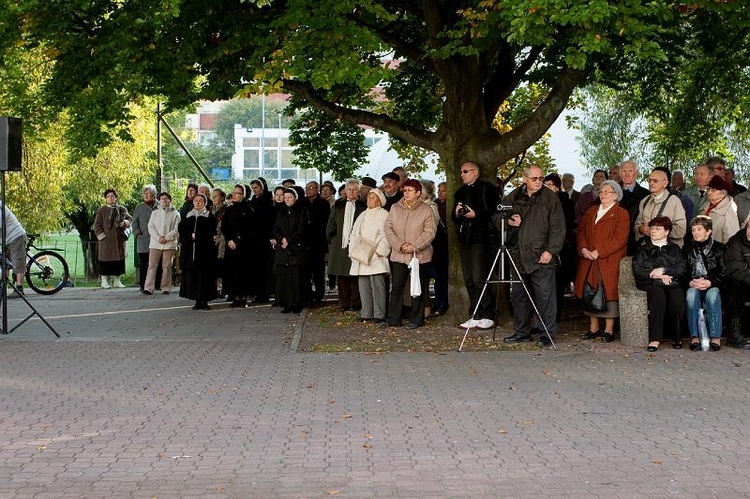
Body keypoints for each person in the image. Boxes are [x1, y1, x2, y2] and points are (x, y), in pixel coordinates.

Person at [502, 165, 567, 346]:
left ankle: (547, 333)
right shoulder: (514, 195)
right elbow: (498, 215)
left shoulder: (550, 198)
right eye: (534, 178)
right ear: (525, 179)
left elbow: (558, 228)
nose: (538, 182)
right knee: (519, 295)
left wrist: (551, 251)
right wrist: (508, 221)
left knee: (545, 296)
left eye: (540, 178)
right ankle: (522, 331)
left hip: (541, 255)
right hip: (518, 254)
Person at [574, 180, 629, 342]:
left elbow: (620, 238)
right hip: (589, 258)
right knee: (590, 291)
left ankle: (609, 330)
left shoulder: (621, 213)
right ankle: (593, 328)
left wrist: (600, 251)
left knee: (608, 294)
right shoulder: (591, 211)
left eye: (608, 192)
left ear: (616, 195)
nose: (603, 194)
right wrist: (583, 249)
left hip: (609, 260)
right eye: (602, 191)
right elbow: (581, 232)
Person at [451, 161, 500, 329]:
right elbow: (453, 217)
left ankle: (487, 314)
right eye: (461, 171)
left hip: (481, 238)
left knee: (480, 277)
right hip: (465, 238)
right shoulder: (461, 192)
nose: (462, 174)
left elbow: (494, 212)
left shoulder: (487, 189)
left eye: (465, 171)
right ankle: (475, 313)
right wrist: (458, 213)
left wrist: (475, 215)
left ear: (475, 172)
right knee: (469, 278)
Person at [383, 179, 436, 329]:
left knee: (417, 287)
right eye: (405, 190)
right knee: (397, 286)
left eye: (410, 190)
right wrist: (399, 245)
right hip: (399, 254)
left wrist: (415, 246)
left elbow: (430, 231)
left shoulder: (426, 209)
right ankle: (394, 318)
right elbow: (388, 228)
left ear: (418, 193)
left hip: (419, 256)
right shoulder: (395, 207)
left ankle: (416, 319)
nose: (406, 193)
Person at [632, 216, 687, 351]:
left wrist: (664, 270)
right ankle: (655, 338)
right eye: (652, 228)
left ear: (667, 232)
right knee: (658, 295)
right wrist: (653, 274)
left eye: (658, 228)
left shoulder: (674, 249)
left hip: (671, 282)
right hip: (649, 282)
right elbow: (637, 269)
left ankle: (676, 336)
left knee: (678, 297)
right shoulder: (643, 248)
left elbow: (682, 268)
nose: (653, 231)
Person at [348, 189, 391, 323]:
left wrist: (380, 251)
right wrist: (353, 250)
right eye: (369, 197)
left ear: (379, 200)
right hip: (361, 255)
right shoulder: (363, 214)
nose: (370, 200)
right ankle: (366, 312)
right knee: (364, 285)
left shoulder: (384, 214)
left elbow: (387, 235)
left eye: (373, 198)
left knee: (377, 286)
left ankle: (379, 314)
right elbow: (354, 233)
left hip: (376, 256)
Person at [684, 216, 725, 351]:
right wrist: (689, 282)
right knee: (691, 295)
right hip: (694, 284)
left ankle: (715, 336)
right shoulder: (687, 248)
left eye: (699, 229)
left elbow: (725, 273)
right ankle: (695, 336)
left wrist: (710, 282)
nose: (695, 232)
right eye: (693, 229)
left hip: (713, 284)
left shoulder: (719, 248)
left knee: (712, 295)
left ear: (708, 232)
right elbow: (682, 272)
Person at [327, 179, 366, 311]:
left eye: (355, 190)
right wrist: (333, 240)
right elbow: (331, 225)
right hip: (340, 245)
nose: (352, 192)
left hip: (357, 244)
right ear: (345, 191)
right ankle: (343, 302)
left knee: (355, 274)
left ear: (359, 191)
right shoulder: (338, 205)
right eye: (349, 189)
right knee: (342, 274)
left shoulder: (363, 206)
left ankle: (355, 303)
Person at [273, 187, 311, 313]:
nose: (287, 200)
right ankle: (287, 301)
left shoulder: (302, 211)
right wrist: (281, 239)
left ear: (295, 198)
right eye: (285, 198)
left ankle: (298, 302)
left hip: (296, 249)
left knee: (296, 277)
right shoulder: (281, 212)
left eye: (289, 197)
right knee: (285, 277)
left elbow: (302, 229)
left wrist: (289, 240)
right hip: (283, 249)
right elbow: (276, 228)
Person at [178, 193, 217, 310]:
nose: (198, 203)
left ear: (205, 203)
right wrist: (190, 236)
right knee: (194, 277)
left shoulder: (210, 217)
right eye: (196, 201)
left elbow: (211, 233)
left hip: (204, 253)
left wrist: (198, 236)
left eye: (201, 201)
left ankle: (205, 300)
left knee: (204, 277)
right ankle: (197, 300)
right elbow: (182, 233)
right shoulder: (188, 216)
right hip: (190, 253)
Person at [634, 167, 687, 247]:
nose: (651, 183)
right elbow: (637, 225)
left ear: (665, 183)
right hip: (648, 249)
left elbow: (681, 230)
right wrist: (641, 229)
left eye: (655, 181)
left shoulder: (674, 201)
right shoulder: (644, 201)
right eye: (650, 180)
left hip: (669, 252)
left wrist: (661, 232)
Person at [222, 185, 254, 308]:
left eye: (238, 193)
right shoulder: (229, 210)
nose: (234, 195)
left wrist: (237, 239)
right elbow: (224, 227)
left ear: (244, 195)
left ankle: (243, 297)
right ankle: (235, 297)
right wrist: (230, 239)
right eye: (234, 193)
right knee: (232, 272)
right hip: (230, 246)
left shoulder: (248, 210)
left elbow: (249, 228)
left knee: (243, 272)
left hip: (244, 247)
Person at [93, 188, 132, 289]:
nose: (111, 198)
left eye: (113, 196)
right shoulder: (101, 211)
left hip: (119, 240)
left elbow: (129, 219)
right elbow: (97, 225)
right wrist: (102, 237)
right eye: (109, 197)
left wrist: (124, 223)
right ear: (106, 198)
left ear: (116, 198)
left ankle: (117, 281)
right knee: (105, 261)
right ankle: (104, 281)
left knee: (118, 261)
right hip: (106, 242)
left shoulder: (121, 209)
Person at [144, 192, 180, 295]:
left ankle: (165, 287)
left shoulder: (175, 214)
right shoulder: (155, 213)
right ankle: (149, 287)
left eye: (166, 198)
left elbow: (176, 229)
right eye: (162, 198)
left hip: (169, 244)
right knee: (152, 265)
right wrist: (158, 238)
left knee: (167, 266)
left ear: (170, 200)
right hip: (155, 244)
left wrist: (167, 237)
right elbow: (151, 227)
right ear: (159, 200)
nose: (164, 200)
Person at [722, 224, 750, 349]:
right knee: (735, 288)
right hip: (738, 282)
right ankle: (734, 334)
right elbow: (736, 270)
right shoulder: (736, 243)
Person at [305, 181, 331, 302]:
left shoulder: (323, 204)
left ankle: (320, 292)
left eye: (311, 188)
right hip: (306, 242)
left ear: (317, 189)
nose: (309, 190)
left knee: (318, 270)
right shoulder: (303, 203)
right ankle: (308, 292)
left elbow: (325, 222)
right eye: (307, 188)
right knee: (306, 269)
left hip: (318, 241)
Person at [250, 178, 274, 303]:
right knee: (257, 267)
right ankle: (259, 292)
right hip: (256, 238)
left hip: (264, 238)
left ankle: (265, 292)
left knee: (265, 267)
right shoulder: (254, 200)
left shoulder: (267, 201)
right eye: (253, 188)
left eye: (257, 188)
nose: (255, 190)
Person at [132, 184, 159, 292]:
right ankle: (143, 285)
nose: (148, 196)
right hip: (143, 239)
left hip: (157, 239)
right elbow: (134, 223)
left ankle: (157, 284)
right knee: (144, 264)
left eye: (150, 194)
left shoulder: (159, 205)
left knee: (157, 263)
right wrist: (138, 233)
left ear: (154, 195)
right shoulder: (139, 207)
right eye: (146, 194)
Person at [619, 160, 650, 255]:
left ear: (636, 173)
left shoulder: (646, 195)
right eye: (624, 171)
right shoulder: (612, 192)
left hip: (635, 241)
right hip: (614, 239)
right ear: (620, 173)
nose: (627, 174)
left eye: (630, 171)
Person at [0, 200, 28, 298]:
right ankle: (3, 289)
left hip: (15, 236)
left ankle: (19, 289)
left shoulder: (0, 206)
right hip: (6, 239)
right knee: (4, 263)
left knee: (18, 261)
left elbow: (0, 225)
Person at [702, 175, 739, 244]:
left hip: (718, 253)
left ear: (724, 192)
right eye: (709, 189)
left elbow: (731, 241)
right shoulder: (706, 207)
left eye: (714, 190)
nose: (709, 192)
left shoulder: (728, 212)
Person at [431, 181, 449, 316]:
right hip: (436, 245)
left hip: (445, 245)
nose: (440, 193)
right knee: (439, 277)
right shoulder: (435, 204)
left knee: (444, 276)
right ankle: (438, 302)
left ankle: (443, 303)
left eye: (443, 190)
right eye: (439, 190)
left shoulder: (449, 205)